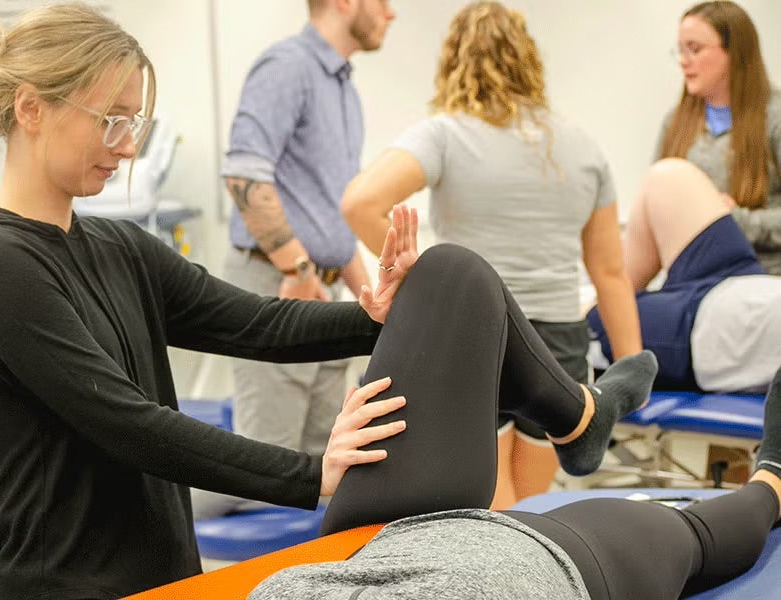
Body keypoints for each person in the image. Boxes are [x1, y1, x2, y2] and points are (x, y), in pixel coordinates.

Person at [0, 5, 417, 598]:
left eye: (133, 123)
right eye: (111, 121)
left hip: (165, 579)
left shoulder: (119, 247)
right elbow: (131, 425)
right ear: (31, 108)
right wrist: (312, 473)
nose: (128, 147)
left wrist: (375, 316)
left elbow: (255, 323)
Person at [248, 243, 781, 600]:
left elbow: (248, 322)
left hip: (352, 558)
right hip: (528, 564)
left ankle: (579, 415)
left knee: (448, 272)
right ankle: (771, 478)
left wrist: (314, 476)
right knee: (693, 535)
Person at [339, 1, 641, 507]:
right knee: (529, 507)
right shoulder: (582, 145)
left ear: (454, 59)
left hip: (481, 337)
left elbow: (360, 203)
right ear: (529, 59)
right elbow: (610, 272)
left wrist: (426, 285)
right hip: (559, 344)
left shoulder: (446, 133)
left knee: (492, 511)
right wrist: (630, 371)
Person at [192, 0, 397, 519]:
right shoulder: (287, 67)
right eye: (383, 1)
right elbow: (243, 175)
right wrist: (298, 271)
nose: (392, 13)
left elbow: (332, 212)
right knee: (266, 469)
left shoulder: (344, 88)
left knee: (327, 470)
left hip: (318, 289)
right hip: (279, 282)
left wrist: (364, 291)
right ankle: (123, 517)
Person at [588, 158, 780, 393]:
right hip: (746, 280)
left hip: (710, 333)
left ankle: (587, 312)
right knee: (669, 177)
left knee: (594, 320)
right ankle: (604, 295)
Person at [655, 0, 780, 276]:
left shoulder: (775, 119)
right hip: (691, 281)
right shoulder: (675, 123)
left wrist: (732, 220)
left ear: (734, 52)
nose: (683, 60)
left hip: (762, 280)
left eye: (695, 49)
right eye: (681, 49)